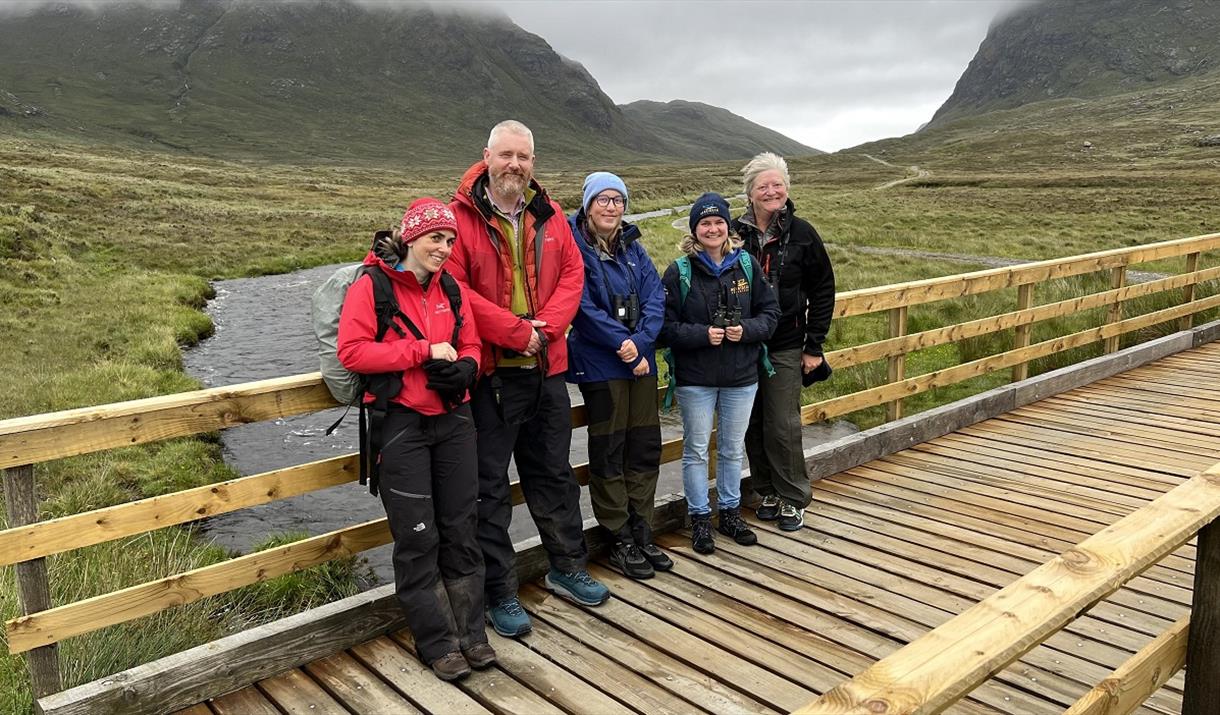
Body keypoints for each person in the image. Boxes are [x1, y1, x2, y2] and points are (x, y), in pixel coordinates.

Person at [447, 120, 609, 638]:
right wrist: (514, 332)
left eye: (524, 156)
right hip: (491, 377)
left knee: (554, 475)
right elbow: (455, 290)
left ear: (533, 162)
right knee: (488, 490)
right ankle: (500, 592)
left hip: (546, 371)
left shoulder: (551, 214)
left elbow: (571, 277)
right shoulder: (459, 218)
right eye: (507, 155)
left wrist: (549, 328)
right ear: (487, 155)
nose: (515, 164)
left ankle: (567, 567)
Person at [336, 198, 492, 681]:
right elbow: (352, 351)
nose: (443, 248)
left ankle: (472, 636)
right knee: (418, 536)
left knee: (461, 527)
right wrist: (421, 351)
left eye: (449, 240)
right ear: (410, 237)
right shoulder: (374, 287)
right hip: (401, 426)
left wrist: (467, 367)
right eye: (434, 239)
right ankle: (438, 643)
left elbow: (471, 344)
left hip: (454, 422)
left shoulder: (451, 289)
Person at [660, 192, 779, 554]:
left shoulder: (746, 266)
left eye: (718, 222)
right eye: (704, 223)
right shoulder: (679, 271)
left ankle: (729, 513)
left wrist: (747, 331)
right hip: (696, 379)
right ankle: (699, 519)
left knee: (730, 449)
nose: (712, 229)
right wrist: (700, 335)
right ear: (695, 230)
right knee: (696, 450)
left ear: (728, 227)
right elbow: (664, 327)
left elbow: (770, 314)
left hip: (741, 377)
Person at [567, 171, 671, 580]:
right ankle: (618, 536)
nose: (611, 207)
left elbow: (655, 299)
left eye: (618, 200)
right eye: (603, 200)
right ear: (589, 205)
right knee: (609, 450)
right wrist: (623, 345)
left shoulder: (634, 247)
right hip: (601, 365)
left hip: (640, 363)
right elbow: (581, 306)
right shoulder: (576, 247)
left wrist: (641, 344)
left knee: (643, 446)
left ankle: (641, 527)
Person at [732, 153, 836, 531]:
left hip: (787, 344)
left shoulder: (803, 233)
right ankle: (767, 491)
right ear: (751, 193)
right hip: (742, 344)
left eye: (778, 185)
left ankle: (793, 496)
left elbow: (823, 288)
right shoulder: (733, 234)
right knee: (752, 422)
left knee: (781, 423)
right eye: (764, 186)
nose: (772, 191)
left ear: (787, 189)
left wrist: (814, 346)